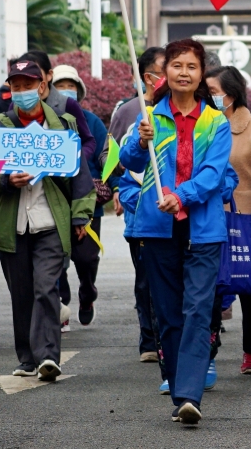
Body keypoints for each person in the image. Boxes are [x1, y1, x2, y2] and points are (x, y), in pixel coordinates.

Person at [121, 39, 234, 424]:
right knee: (168, 315)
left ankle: (189, 394)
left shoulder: (215, 122)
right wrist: (140, 141)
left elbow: (214, 175)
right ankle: (176, 382)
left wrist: (180, 196)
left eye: (191, 66)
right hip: (155, 229)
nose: (183, 72)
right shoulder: (151, 116)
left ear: (201, 74)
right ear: (164, 71)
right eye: (176, 65)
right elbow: (128, 161)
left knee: (199, 310)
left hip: (203, 230)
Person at [0, 59, 95, 384]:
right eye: (15, 87)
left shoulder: (63, 125)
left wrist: (80, 215)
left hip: (51, 221)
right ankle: (26, 357)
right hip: (13, 222)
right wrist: (8, 180)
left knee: (46, 287)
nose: (22, 92)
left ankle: (48, 356)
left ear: (43, 87)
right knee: (20, 293)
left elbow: (80, 173)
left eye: (28, 85)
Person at [205, 65, 251, 367]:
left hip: (249, 222)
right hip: (209, 219)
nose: (209, 98)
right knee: (207, 288)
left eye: (213, 92)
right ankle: (207, 348)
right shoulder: (202, 125)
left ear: (232, 94)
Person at [108, 45, 164, 362]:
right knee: (144, 282)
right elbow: (115, 160)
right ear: (149, 77)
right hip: (140, 218)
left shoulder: (194, 113)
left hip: (177, 217)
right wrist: (131, 198)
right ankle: (148, 340)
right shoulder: (129, 113)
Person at [50, 65, 110, 329]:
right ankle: (61, 305)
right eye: (60, 86)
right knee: (55, 259)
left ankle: (88, 294)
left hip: (87, 202)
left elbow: (105, 156)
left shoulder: (91, 121)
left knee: (86, 258)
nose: (66, 91)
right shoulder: (43, 120)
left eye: (70, 86)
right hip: (54, 201)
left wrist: (114, 185)